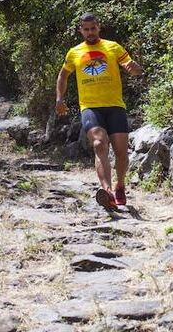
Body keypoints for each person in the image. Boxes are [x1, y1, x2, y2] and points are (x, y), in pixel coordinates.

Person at [55, 12, 142, 209]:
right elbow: (63, 75)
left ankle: (120, 185)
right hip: (90, 106)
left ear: (99, 27)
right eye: (86, 29)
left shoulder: (113, 47)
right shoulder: (74, 52)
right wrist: (59, 98)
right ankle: (107, 191)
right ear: (81, 30)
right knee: (99, 143)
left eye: (93, 28)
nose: (90, 32)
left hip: (115, 106)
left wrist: (135, 68)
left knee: (121, 152)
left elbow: (132, 67)